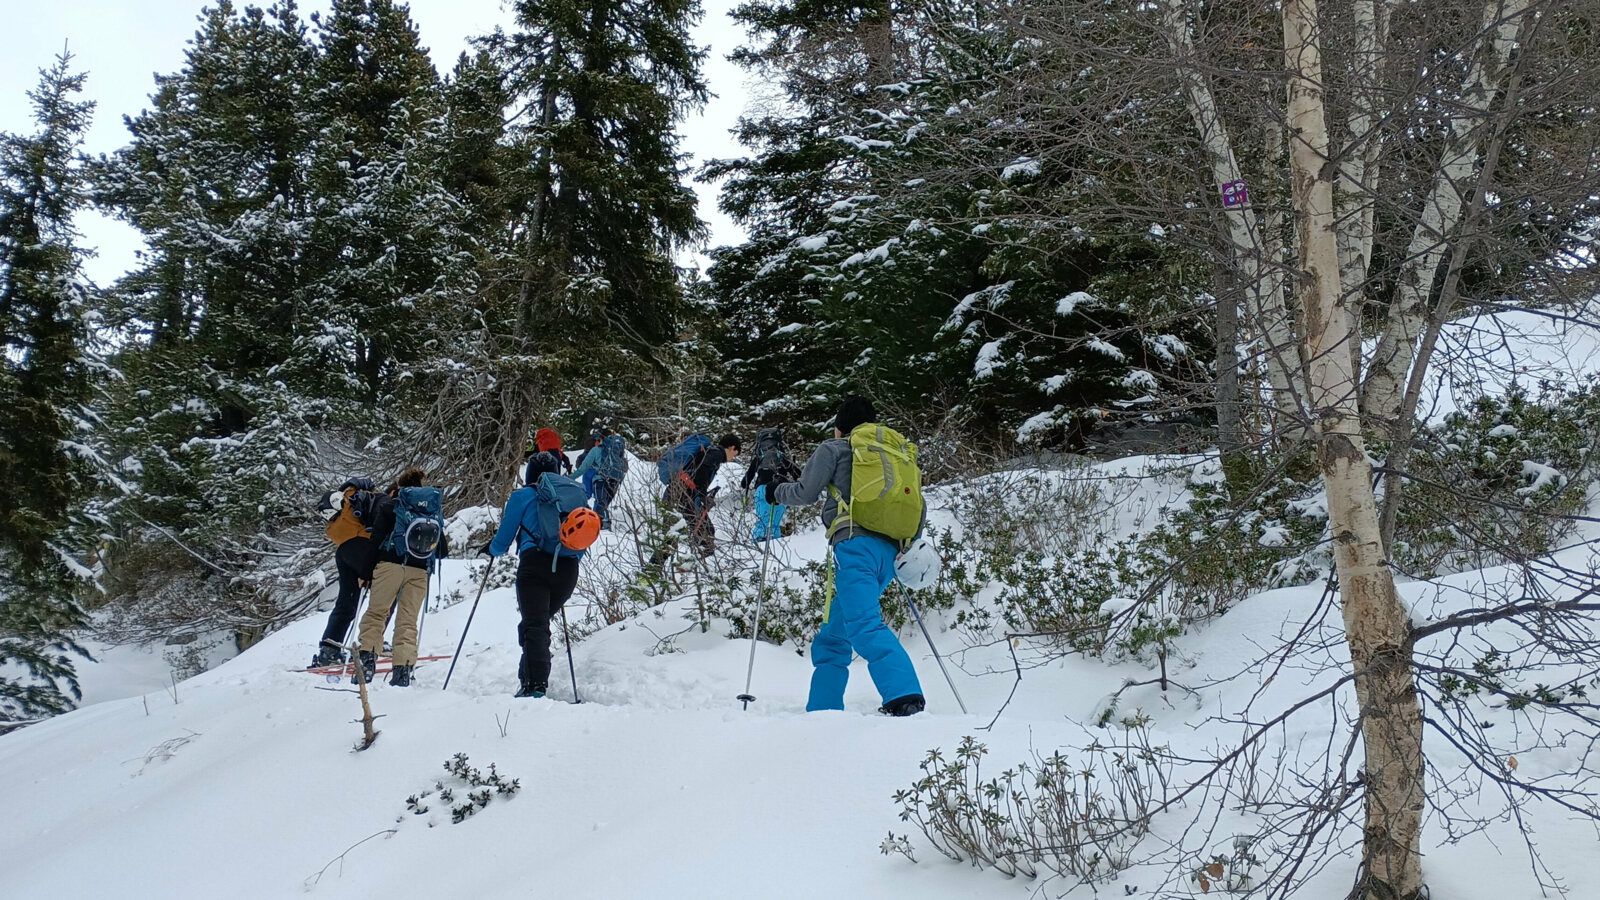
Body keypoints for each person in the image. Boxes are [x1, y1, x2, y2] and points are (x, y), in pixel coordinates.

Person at [768, 396, 926, 716]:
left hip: (855, 548)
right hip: (890, 554)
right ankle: (822, 710)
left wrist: (775, 491)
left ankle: (904, 696)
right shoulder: (897, 455)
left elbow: (805, 492)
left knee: (864, 625)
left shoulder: (836, 448)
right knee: (834, 634)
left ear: (840, 428)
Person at [483, 451, 600, 698]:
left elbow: (503, 541)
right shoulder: (573, 495)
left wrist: (491, 549)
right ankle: (528, 679)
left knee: (535, 625)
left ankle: (535, 687)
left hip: (534, 565)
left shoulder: (523, 496)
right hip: (567, 570)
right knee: (536, 624)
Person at [355, 467, 449, 687]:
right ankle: (403, 672)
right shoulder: (433, 511)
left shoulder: (391, 506)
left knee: (377, 614)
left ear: (401, 487)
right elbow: (442, 550)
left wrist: (365, 573)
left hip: (389, 566)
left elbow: (375, 541)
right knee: (407, 621)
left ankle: (366, 665)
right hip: (419, 572)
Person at [311, 477, 380, 667]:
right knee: (384, 594)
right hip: (364, 549)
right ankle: (373, 644)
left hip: (344, 554)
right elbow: (363, 484)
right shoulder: (350, 499)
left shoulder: (333, 528)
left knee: (346, 602)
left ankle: (329, 649)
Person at [667, 433, 741, 558]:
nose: (733, 458)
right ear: (732, 448)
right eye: (735, 453)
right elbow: (701, 474)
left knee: (671, 535)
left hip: (675, 492)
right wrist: (702, 497)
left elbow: (697, 474)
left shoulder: (708, 451)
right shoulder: (716, 454)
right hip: (685, 496)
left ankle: (652, 570)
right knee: (706, 533)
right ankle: (702, 569)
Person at [740, 427, 800, 543]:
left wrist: (746, 484)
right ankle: (774, 542)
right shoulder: (782, 457)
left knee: (762, 520)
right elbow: (798, 475)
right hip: (781, 490)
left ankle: (758, 543)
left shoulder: (759, 457)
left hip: (762, 489)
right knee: (775, 523)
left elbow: (745, 481)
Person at [573, 430, 628, 529]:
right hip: (615, 479)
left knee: (597, 500)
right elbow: (624, 468)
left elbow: (582, 467)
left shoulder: (596, 450)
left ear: (600, 440)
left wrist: (569, 477)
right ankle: (599, 520)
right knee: (603, 502)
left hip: (599, 478)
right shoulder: (615, 452)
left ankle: (598, 523)